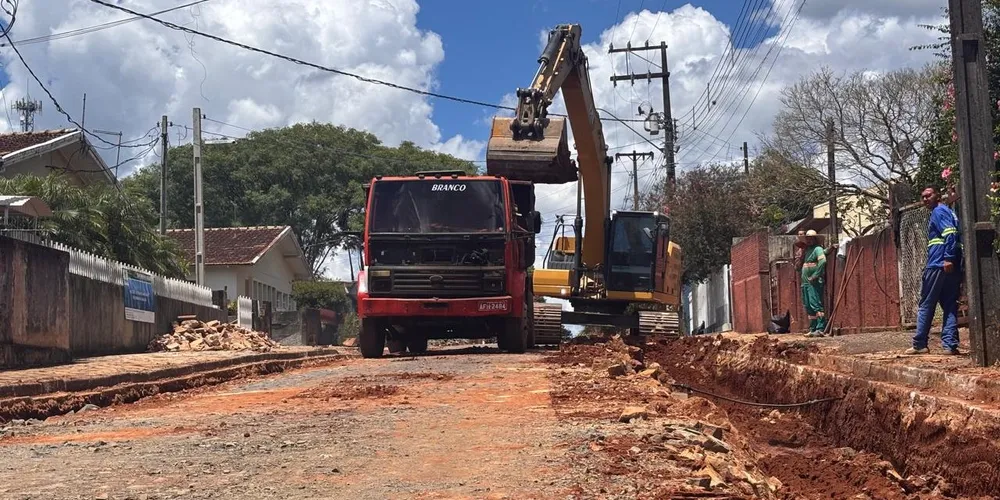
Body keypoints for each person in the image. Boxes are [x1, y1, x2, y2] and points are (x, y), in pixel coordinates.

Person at [907, 187, 963, 355]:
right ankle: (949, 345)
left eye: (928, 195)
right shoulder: (948, 212)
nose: (925, 199)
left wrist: (948, 257)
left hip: (939, 263)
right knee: (949, 304)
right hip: (950, 264)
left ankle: (920, 344)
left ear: (937, 196)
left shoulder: (939, 212)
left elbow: (950, 233)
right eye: (923, 197)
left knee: (926, 304)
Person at [801, 230, 828, 337]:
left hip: (813, 282)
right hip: (805, 283)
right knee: (808, 306)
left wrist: (816, 275)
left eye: (811, 238)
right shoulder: (807, 251)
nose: (809, 240)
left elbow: (823, 261)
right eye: (807, 238)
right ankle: (813, 328)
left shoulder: (818, 249)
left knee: (815, 304)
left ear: (815, 239)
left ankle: (820, 328)